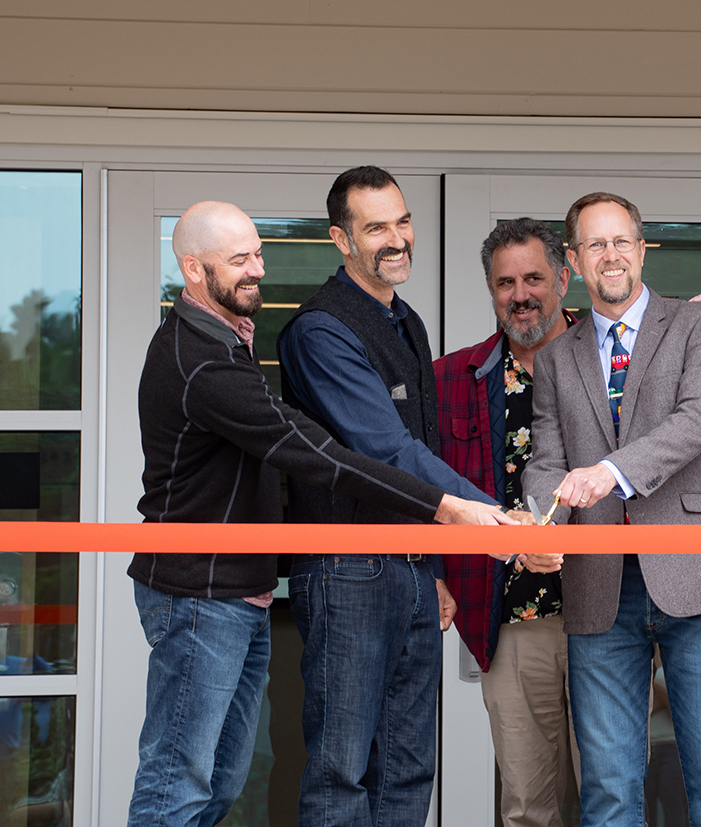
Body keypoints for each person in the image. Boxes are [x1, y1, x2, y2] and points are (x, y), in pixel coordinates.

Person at [127, 200, 507, 827]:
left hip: (237, 590)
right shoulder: (200, 357)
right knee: (179, 785)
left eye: (257, 253)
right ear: (193, 269)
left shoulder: (227, 340)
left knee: (216, 784)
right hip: (199, 591)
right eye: (238, 259)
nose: (257, 269)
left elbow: (297, 438)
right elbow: (313, 453)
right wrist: (446, 508)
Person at [276, 167, 555, 826]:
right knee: (342, 769)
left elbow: (419, 447)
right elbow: (388, 450)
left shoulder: (406, 322)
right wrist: (486, 516)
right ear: (341, 239)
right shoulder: (320, 330)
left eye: (401, 221)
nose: (397, 238)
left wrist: (430, 569)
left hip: (406, 570)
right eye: (376, 227)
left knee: (407, 767)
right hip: (346, 569)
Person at [522, 192, 701, 827]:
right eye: (595, 244)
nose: (612, 255)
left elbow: (698, 422)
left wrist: (607, 473)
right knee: (606, 789)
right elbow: (547, 456)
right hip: (600, 583)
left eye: (622, 241)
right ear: (573, 260)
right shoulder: (554, 359)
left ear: (642, 248)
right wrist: (542, 520)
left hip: (698, 570)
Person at [435, 217, 580, 827]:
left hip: (612, 611)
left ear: (565, 279)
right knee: (527, 806)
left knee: (615, 794)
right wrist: (435, 572)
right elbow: (422, 488)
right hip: (512, 618)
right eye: (505, 282)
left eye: (534, 278)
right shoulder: (451, 379)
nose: (520, 294)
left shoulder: (615, 367)